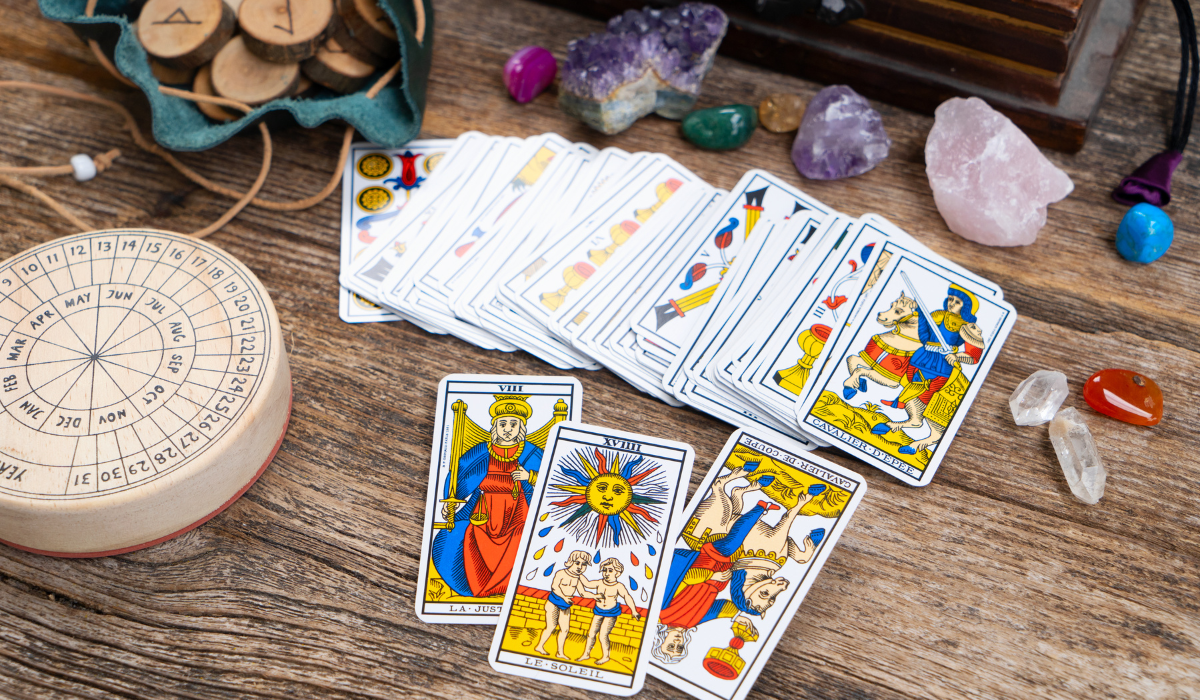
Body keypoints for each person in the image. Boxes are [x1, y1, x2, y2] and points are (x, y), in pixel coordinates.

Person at [431, 395, 542, 598]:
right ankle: (480, 586)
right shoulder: (482, 451)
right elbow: (459, 475)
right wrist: (451, 500)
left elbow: (553, 479)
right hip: (483, 511)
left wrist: (530, 476)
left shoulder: (531, 452)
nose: (507, 429)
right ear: (495, 427)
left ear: (521, 428)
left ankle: (509, 588)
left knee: (522, 539)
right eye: (503, 424)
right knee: (466, 536)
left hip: (518, 512)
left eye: (513, 424)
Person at [654, 501, 791, 663]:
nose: (677, 643)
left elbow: (683, 579)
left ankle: (760, 507)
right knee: (741, 549)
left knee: (732, 543)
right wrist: (739, 617)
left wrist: (711, 576)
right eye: (680, 648)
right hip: (720, 576)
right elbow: (720, 608)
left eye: (671, 646)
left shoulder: (661, 612)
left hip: (705, 565)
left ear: (660, 640)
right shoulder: (693, 622)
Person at [577, 558, 640, 665]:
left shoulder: (618, 586)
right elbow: (587, 584)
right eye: (604, 570)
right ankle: (586, 654)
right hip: (598, 611)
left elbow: (627, 597)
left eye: (610, 571)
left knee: (603, 635)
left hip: (611, 613)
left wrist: (634, 611)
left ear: (617, 573)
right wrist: (579, 574)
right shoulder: (599, 582)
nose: (606, 573)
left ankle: (605, 656)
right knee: (591, 634)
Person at [534, 551, 591, 660]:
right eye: (577, 563)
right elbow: (555, 587)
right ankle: (539, 646)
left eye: (584, 564)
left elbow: (583, 593)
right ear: (570, 562)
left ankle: (560, 652)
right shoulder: (561, 573)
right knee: (551, 626)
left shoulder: (578, 578)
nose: (580, 567)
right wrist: (564, 597)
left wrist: (595, 596)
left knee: (565, 629)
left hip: (565, 605)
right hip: (554, 602)